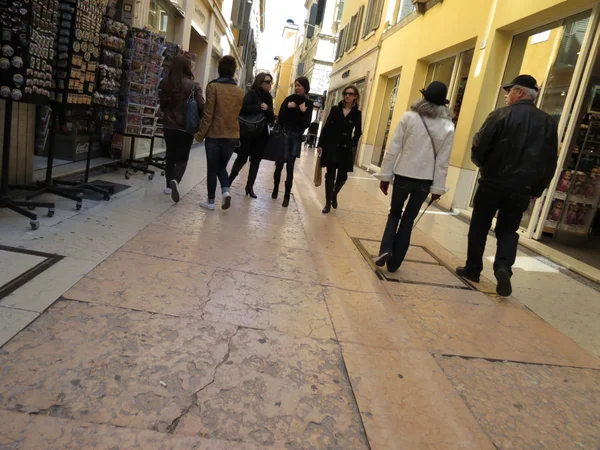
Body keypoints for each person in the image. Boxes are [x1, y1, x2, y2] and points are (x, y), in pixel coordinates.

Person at [456, 75, 558, 297]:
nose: (506, 94)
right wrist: (538, 188)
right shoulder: (548, 122)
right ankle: (503, 267)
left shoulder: (500, 115)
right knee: (508, 230)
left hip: (492, 182)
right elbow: (550, 160)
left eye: (510, 90)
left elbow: (479, 145)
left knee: (479, 226)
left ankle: (473, 269)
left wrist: (483, 167)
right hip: (522, 188)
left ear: (520, 92)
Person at [374, 81, 455, 273]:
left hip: (403, 175)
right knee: (409, 219)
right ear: (443, 104)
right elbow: (443, 161)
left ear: (424, 98)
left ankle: (386, 249)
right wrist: (437, 189)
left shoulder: (408, 118)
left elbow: (393, 149)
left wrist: (385, 176)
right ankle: (395, 263)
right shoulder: (448, 126)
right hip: (425, 182)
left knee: (395, 213)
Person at [195, 55, 244, 211]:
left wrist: (200, 134)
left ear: (219, 69)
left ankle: (210, 202)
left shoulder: (213, 87)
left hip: (215, 135)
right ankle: (225, 191)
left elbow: (208, 114)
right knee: (222, 167)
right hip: (232, 136)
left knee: (212, 168)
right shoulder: (239, 91)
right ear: (233, 71)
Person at [159, 54, 204, 203]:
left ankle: (167, 185)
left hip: (169, 125)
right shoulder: (194, 85)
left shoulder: (166, 82)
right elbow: (201, 106)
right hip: (186, 127)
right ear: (187, 67)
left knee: (170, 155)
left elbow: (162, 105)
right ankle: (176, 181)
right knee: (183, 157)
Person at [228, 72, 275, 198]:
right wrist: (260, 107)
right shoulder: (252, 93)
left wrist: (268, 109)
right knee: (242, 158)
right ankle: (229, 181)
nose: (270, 84)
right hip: (248, 132)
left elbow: (271, 118)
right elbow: (244, 108)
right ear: (260, 82)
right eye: (267, 82)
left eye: (271, 82)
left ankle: (249, 188)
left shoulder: (269, 98)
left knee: (256, 161)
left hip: (261, 134)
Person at [318, 85, 362, 214]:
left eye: (351, 94)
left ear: (355, 96)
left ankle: (334, 194)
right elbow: (326, 127)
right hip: (331, 146)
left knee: (343, 176)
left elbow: (358, 132)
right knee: (330, 175)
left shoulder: (356, 113)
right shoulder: (335, 109)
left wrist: (352, 143)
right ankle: (327, 204)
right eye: (346, 93)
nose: (347, 96)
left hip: (345, 148)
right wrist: (321, 144)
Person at [273, 77, 314, 207]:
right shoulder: (288, 99)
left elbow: (306, 124)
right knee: (279, 165)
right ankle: (275, 189)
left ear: (305, 87)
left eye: (299, 85)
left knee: (290, 167)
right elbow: (281, 118)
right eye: (296, 85)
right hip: (284, 135)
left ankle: (286, 196)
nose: (297, 88)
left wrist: (302, 112)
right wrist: (287, 107)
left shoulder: (308, 104)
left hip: (295, 137)